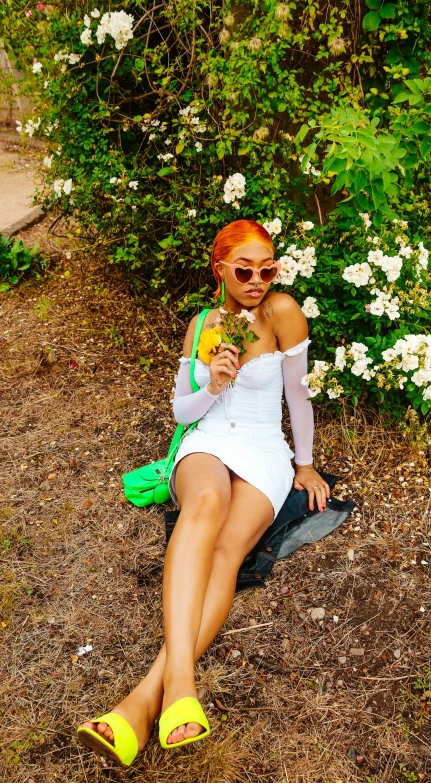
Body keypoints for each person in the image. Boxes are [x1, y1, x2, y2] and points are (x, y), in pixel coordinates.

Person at [77, 219, 330, 766]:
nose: (258, 279)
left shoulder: (282, 313)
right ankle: (183, 685)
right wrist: (212, 384)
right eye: (245, 269)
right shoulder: (204, 324)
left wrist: (304, 465)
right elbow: (182, 411)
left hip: (263, 450)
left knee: (227, 552)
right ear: (221, 270)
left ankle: (144, 700)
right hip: (208, 441)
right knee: (206, 506)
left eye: (268, 269)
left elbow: (298, 398)